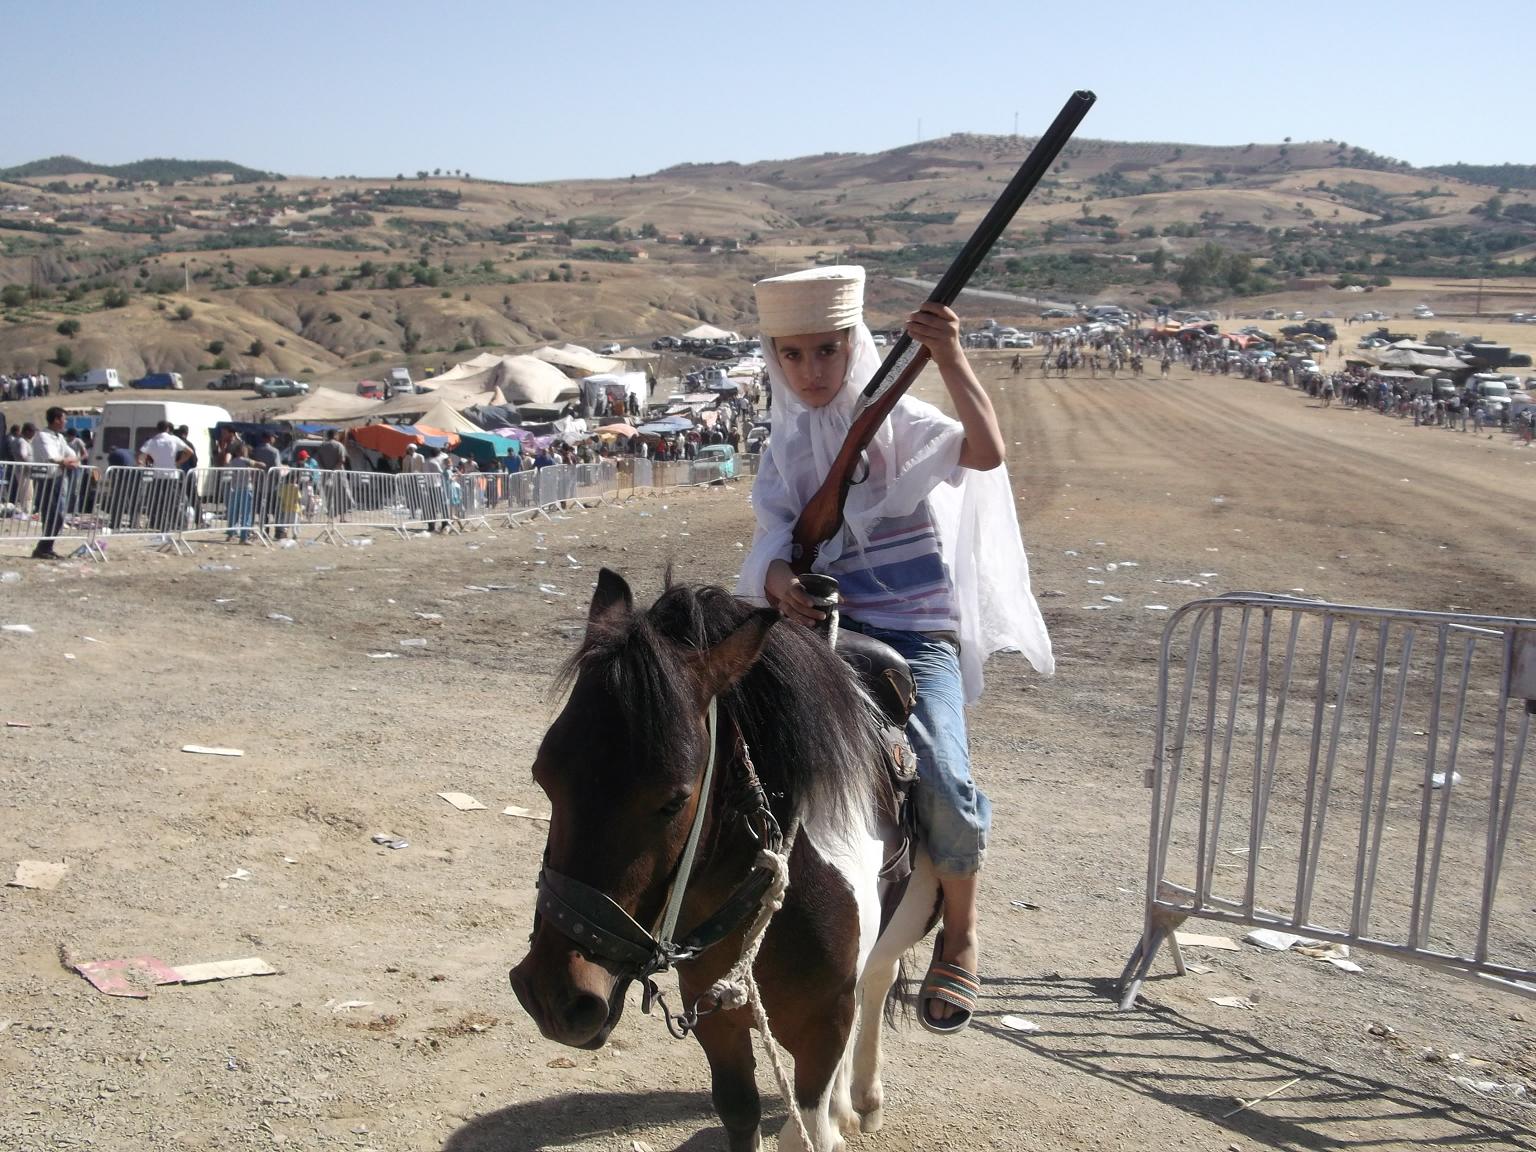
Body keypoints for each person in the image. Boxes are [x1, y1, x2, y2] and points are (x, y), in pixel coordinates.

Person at [737, 266, 1052, 1034]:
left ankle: (963, 933)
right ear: (774, 359)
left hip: (914, 634)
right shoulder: (783, 445)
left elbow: (983, 450)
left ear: (855, 346)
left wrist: (950, 357)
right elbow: (773, 543)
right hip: (824, 634)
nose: (811, 372)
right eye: (793, 354)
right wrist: (782, 584)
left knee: (944, 774)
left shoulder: (899, 420)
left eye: (827, 351)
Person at [29, 407, 81, 559]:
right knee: (52, 514)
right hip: (47, 480)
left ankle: (46, 547)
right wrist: (65, 461)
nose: (65, 422)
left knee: (58, 516)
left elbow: (73, 456)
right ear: (57, 420)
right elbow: (53, 457)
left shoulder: (59, 437)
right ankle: (42, 548)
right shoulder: (43, 436)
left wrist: (68, 461)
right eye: (64, 419)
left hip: (59, 478)